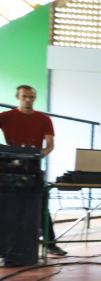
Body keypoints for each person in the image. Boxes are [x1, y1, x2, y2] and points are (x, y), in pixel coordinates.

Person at [0, 85, 66, 256]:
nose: (28, 100)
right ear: (17, 97)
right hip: (7, 168)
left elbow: (50, 144)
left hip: (33, 168)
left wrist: (39, 154)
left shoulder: (44, 120)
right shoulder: (5, 116)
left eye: (31, 97)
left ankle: (50, 244)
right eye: (24, 96)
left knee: (41, 207)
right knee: (5, 207)